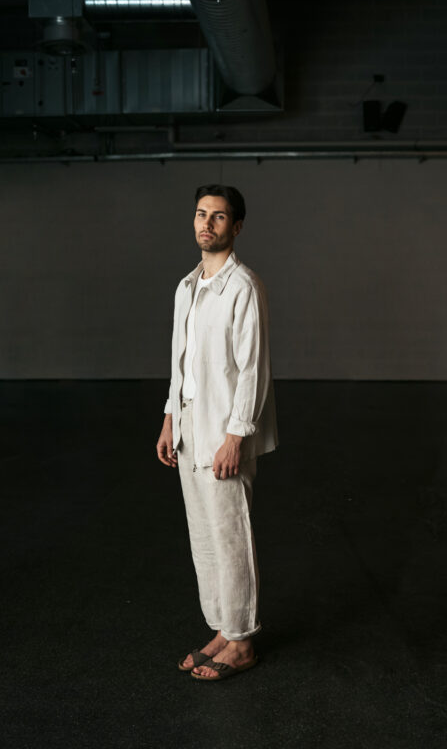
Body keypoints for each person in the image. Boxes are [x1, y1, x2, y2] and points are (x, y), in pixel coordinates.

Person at [156, 183, 278, 681]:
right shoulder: (187, 287)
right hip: (189, 431)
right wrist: (169, 418)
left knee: (231, 538)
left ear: (237, 226)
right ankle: (224, 630)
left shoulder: (243, 286)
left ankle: (243, 641)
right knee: (204, 538)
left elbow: (252, 369)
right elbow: (179, 364)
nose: (207, 223)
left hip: (225, 434)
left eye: (220, 216)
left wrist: (237, 435)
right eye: (201, 214)